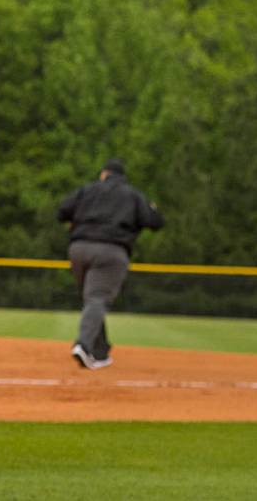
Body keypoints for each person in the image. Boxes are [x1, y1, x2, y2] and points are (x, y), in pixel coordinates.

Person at [57, 158, 164, 369]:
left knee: (92, 299)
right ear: (122, 177)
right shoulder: (132, 194)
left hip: (78, 248)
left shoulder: (88, 190)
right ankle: (84, 346)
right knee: (97, 298)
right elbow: (154, 221)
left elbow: (62, 210)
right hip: (111, 250)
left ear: (104, 174)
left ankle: (100, 351)